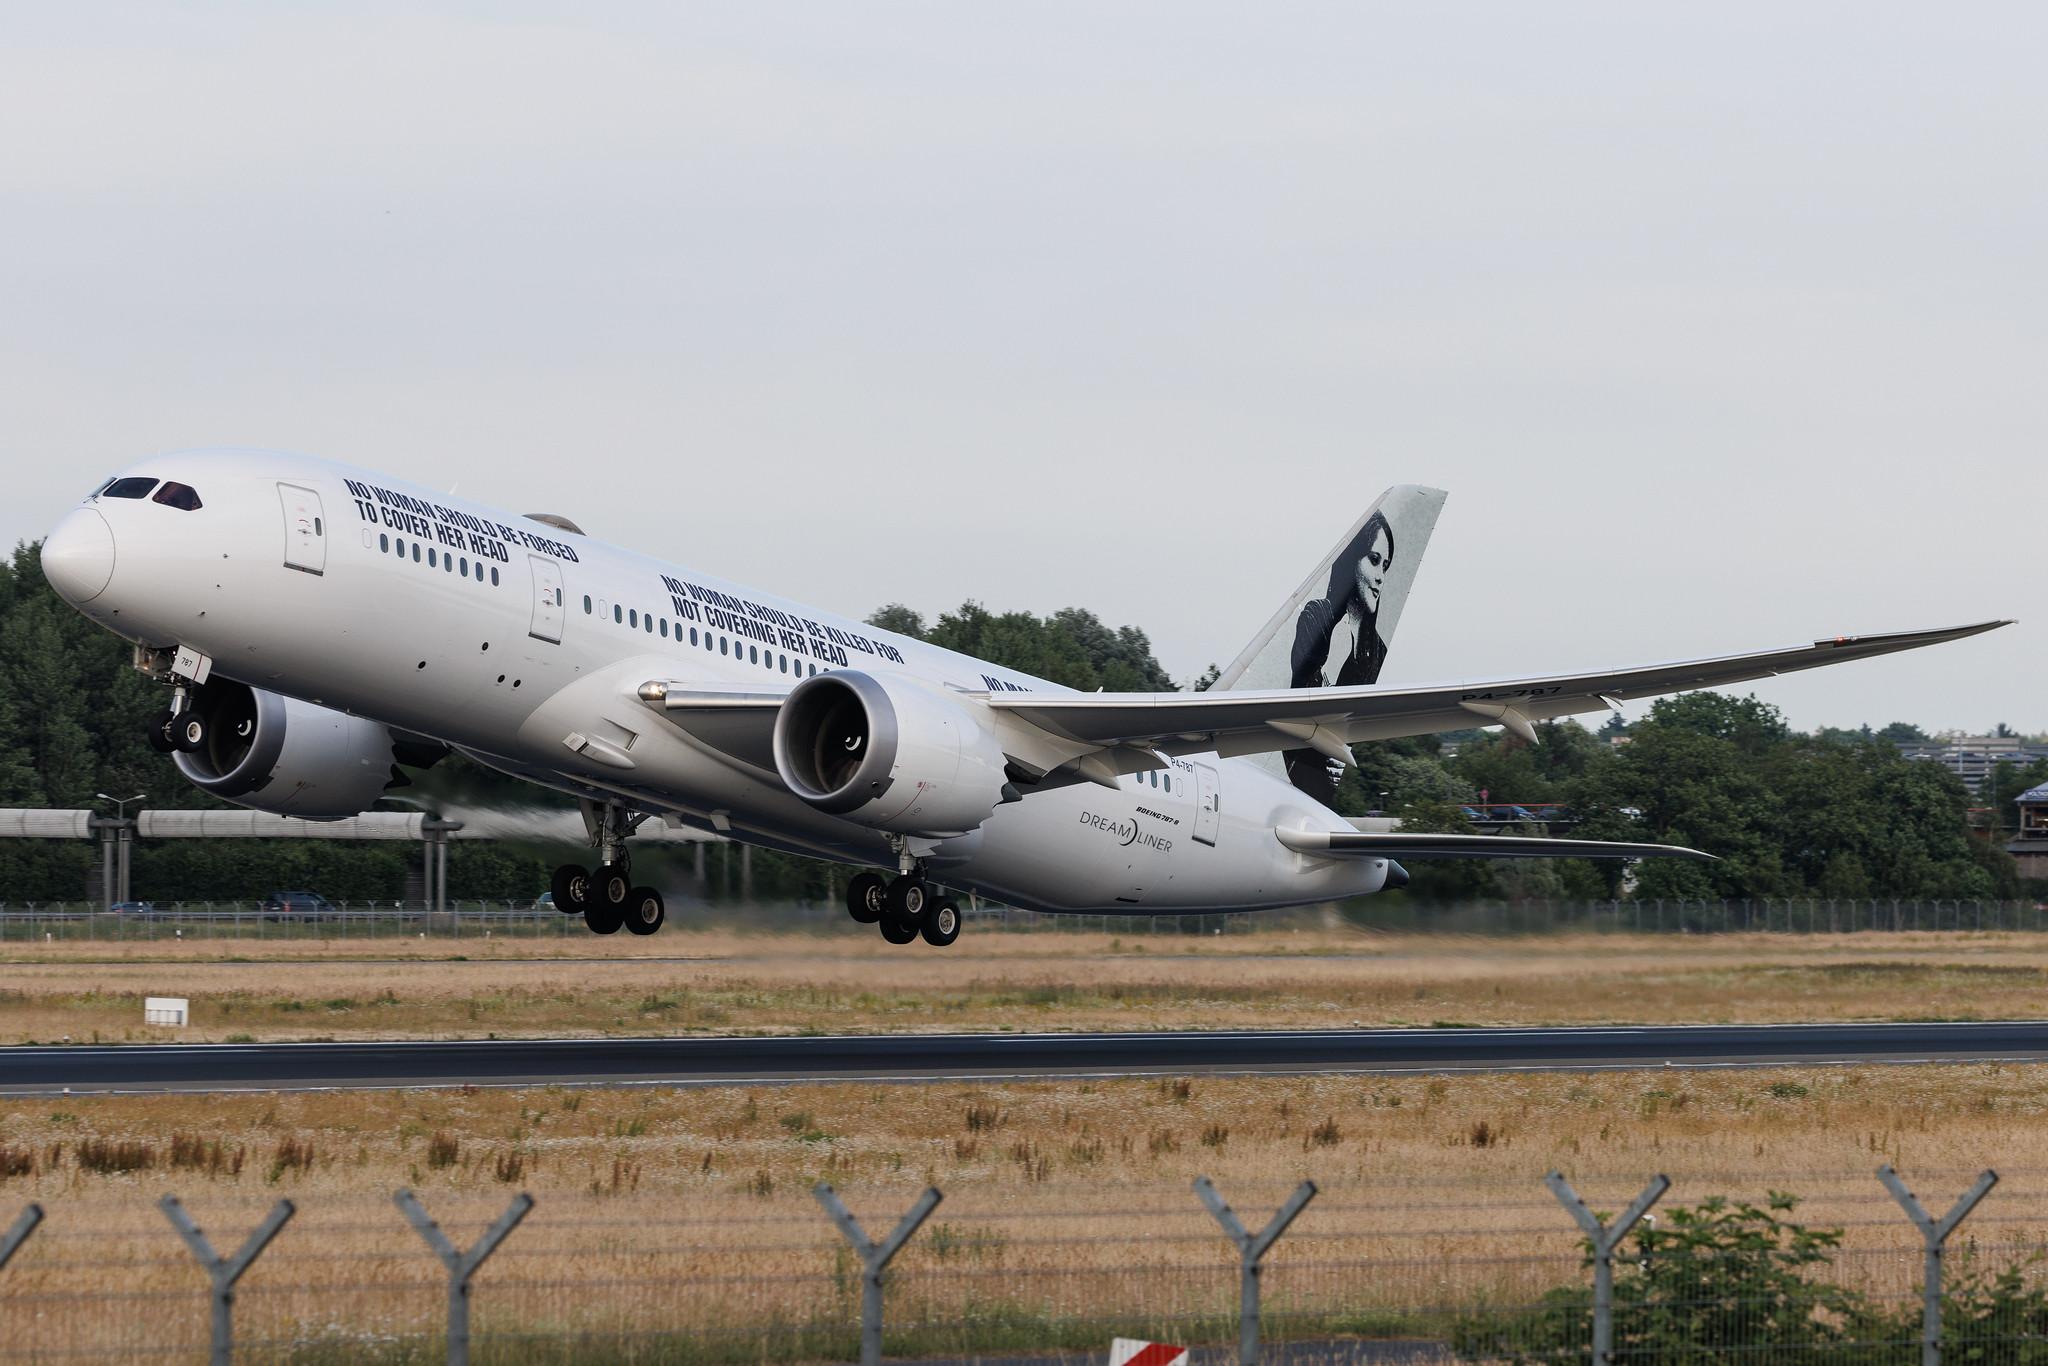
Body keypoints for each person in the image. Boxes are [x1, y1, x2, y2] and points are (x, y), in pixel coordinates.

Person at [1283, 511, 1394, 802]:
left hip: (1309, 789)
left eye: (1386, 565)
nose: (1381, 576)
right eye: (1373, 560)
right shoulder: (1317, 616)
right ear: (1352, 561)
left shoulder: (1375, 650)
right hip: (1295, 765)